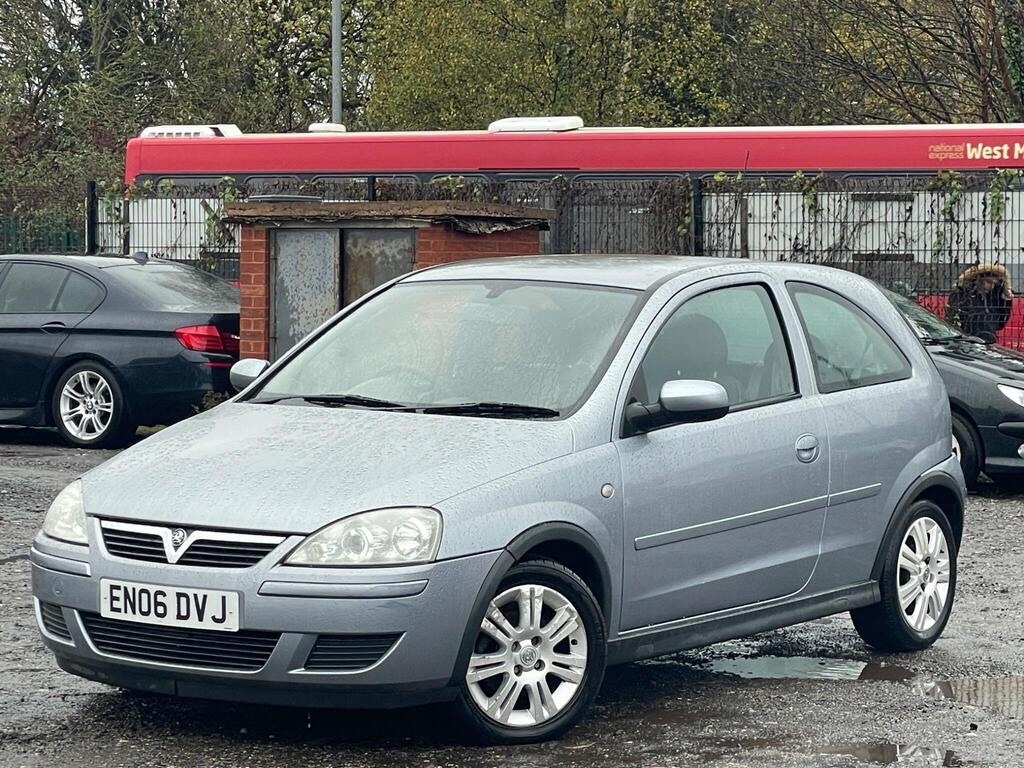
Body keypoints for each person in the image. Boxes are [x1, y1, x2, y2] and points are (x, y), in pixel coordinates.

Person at [946, 263, 1014, 343]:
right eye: (988, 282)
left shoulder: (993, 298)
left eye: (994, 284)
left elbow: (1000, 324)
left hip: (988, 340)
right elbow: (955, 319)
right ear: (978, 278)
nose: (991, 286)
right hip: (966, 340)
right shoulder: (962, 295)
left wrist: (1006, 303)